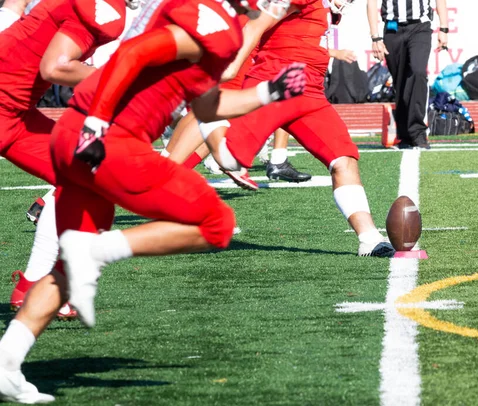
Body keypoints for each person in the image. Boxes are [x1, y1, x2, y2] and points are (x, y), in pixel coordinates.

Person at [0, 0, 304, 402]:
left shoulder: (211, 22)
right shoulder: (210, 19)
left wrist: (270, 91)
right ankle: (97, 250)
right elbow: (133, 53)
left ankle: (6, 363)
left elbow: (205, 104)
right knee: (217, 224)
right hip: (108, 139)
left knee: (67, 269)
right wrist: (98, 121)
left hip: (75, 134)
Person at [182, 0, 395, 257]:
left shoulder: (326, 8)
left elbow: (305, 39)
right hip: (277, 85)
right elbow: (256, 24)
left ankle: (369, 239)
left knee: (344, 159)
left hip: (312, 94)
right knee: (229, 158)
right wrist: (230, 69)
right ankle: (203, 122)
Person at [0, 0, 138, 320]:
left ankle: (36, 285)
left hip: (15, 114)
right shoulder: (102, 10)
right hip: (7, 109)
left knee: (88, 177)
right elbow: (56, 67)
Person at [367, 0, 448, 149]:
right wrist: (375, 38)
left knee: (418, 71)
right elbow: (371, 3)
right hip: (393, 29)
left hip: (420, 27)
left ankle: (418, 132)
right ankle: (404, 135)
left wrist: (444, 28)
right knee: (400, 82)